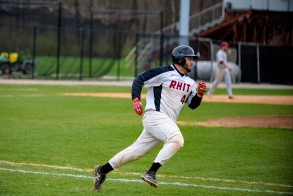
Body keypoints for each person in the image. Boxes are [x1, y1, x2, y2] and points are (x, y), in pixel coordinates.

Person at [93, 45, 207, 192]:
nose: (192, 62)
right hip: (154, 116)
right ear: (180, 59)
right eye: (189, 58)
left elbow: (192, 105)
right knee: (177, 140)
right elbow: (139, 79)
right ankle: (151, 172)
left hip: (165, 122)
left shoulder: (191, 83)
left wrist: (199, 94)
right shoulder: (164, 72)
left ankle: (101, 171)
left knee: (134, 153)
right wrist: (136, 100)